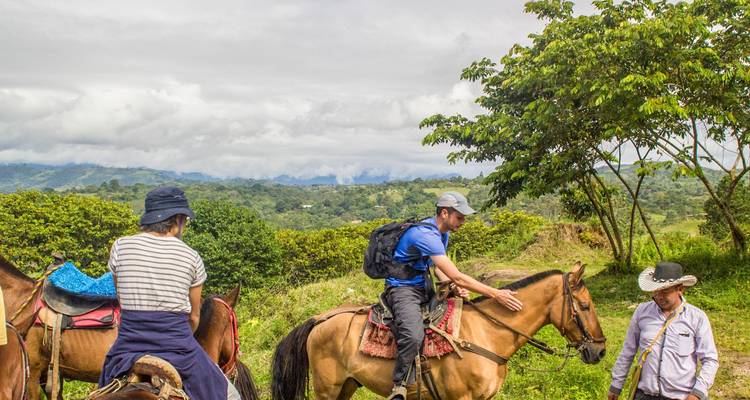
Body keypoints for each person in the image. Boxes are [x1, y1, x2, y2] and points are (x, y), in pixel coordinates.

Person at [98, 186, 240, 400]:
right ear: (178, 219)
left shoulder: (120, 246)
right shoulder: (191, 257)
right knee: (231, 395)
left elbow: (122, 298)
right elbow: (193, 317)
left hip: (127, 346)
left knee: (103, 387)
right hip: (177, 347)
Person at [385, 191, 524, 400]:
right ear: (444, 213)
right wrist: (495, 294)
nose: (463, 222)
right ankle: (400, 385)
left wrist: (451, 284)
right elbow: (457, 275)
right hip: (402, 289)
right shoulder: (425, 234)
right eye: (459, 217)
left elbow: (437, 265)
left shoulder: (443, 232)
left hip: (423, 285)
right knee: (413, 334)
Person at [608, 261, 718, 400]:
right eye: (656, 291)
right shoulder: (642, 312)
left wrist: (697, 393)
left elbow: (710, 360)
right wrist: (616, 384)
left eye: (665, 291)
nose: (659, 296)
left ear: (680, 289)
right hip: (644, 395)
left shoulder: (697, 318)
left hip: (682, 397)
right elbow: (628, 351)